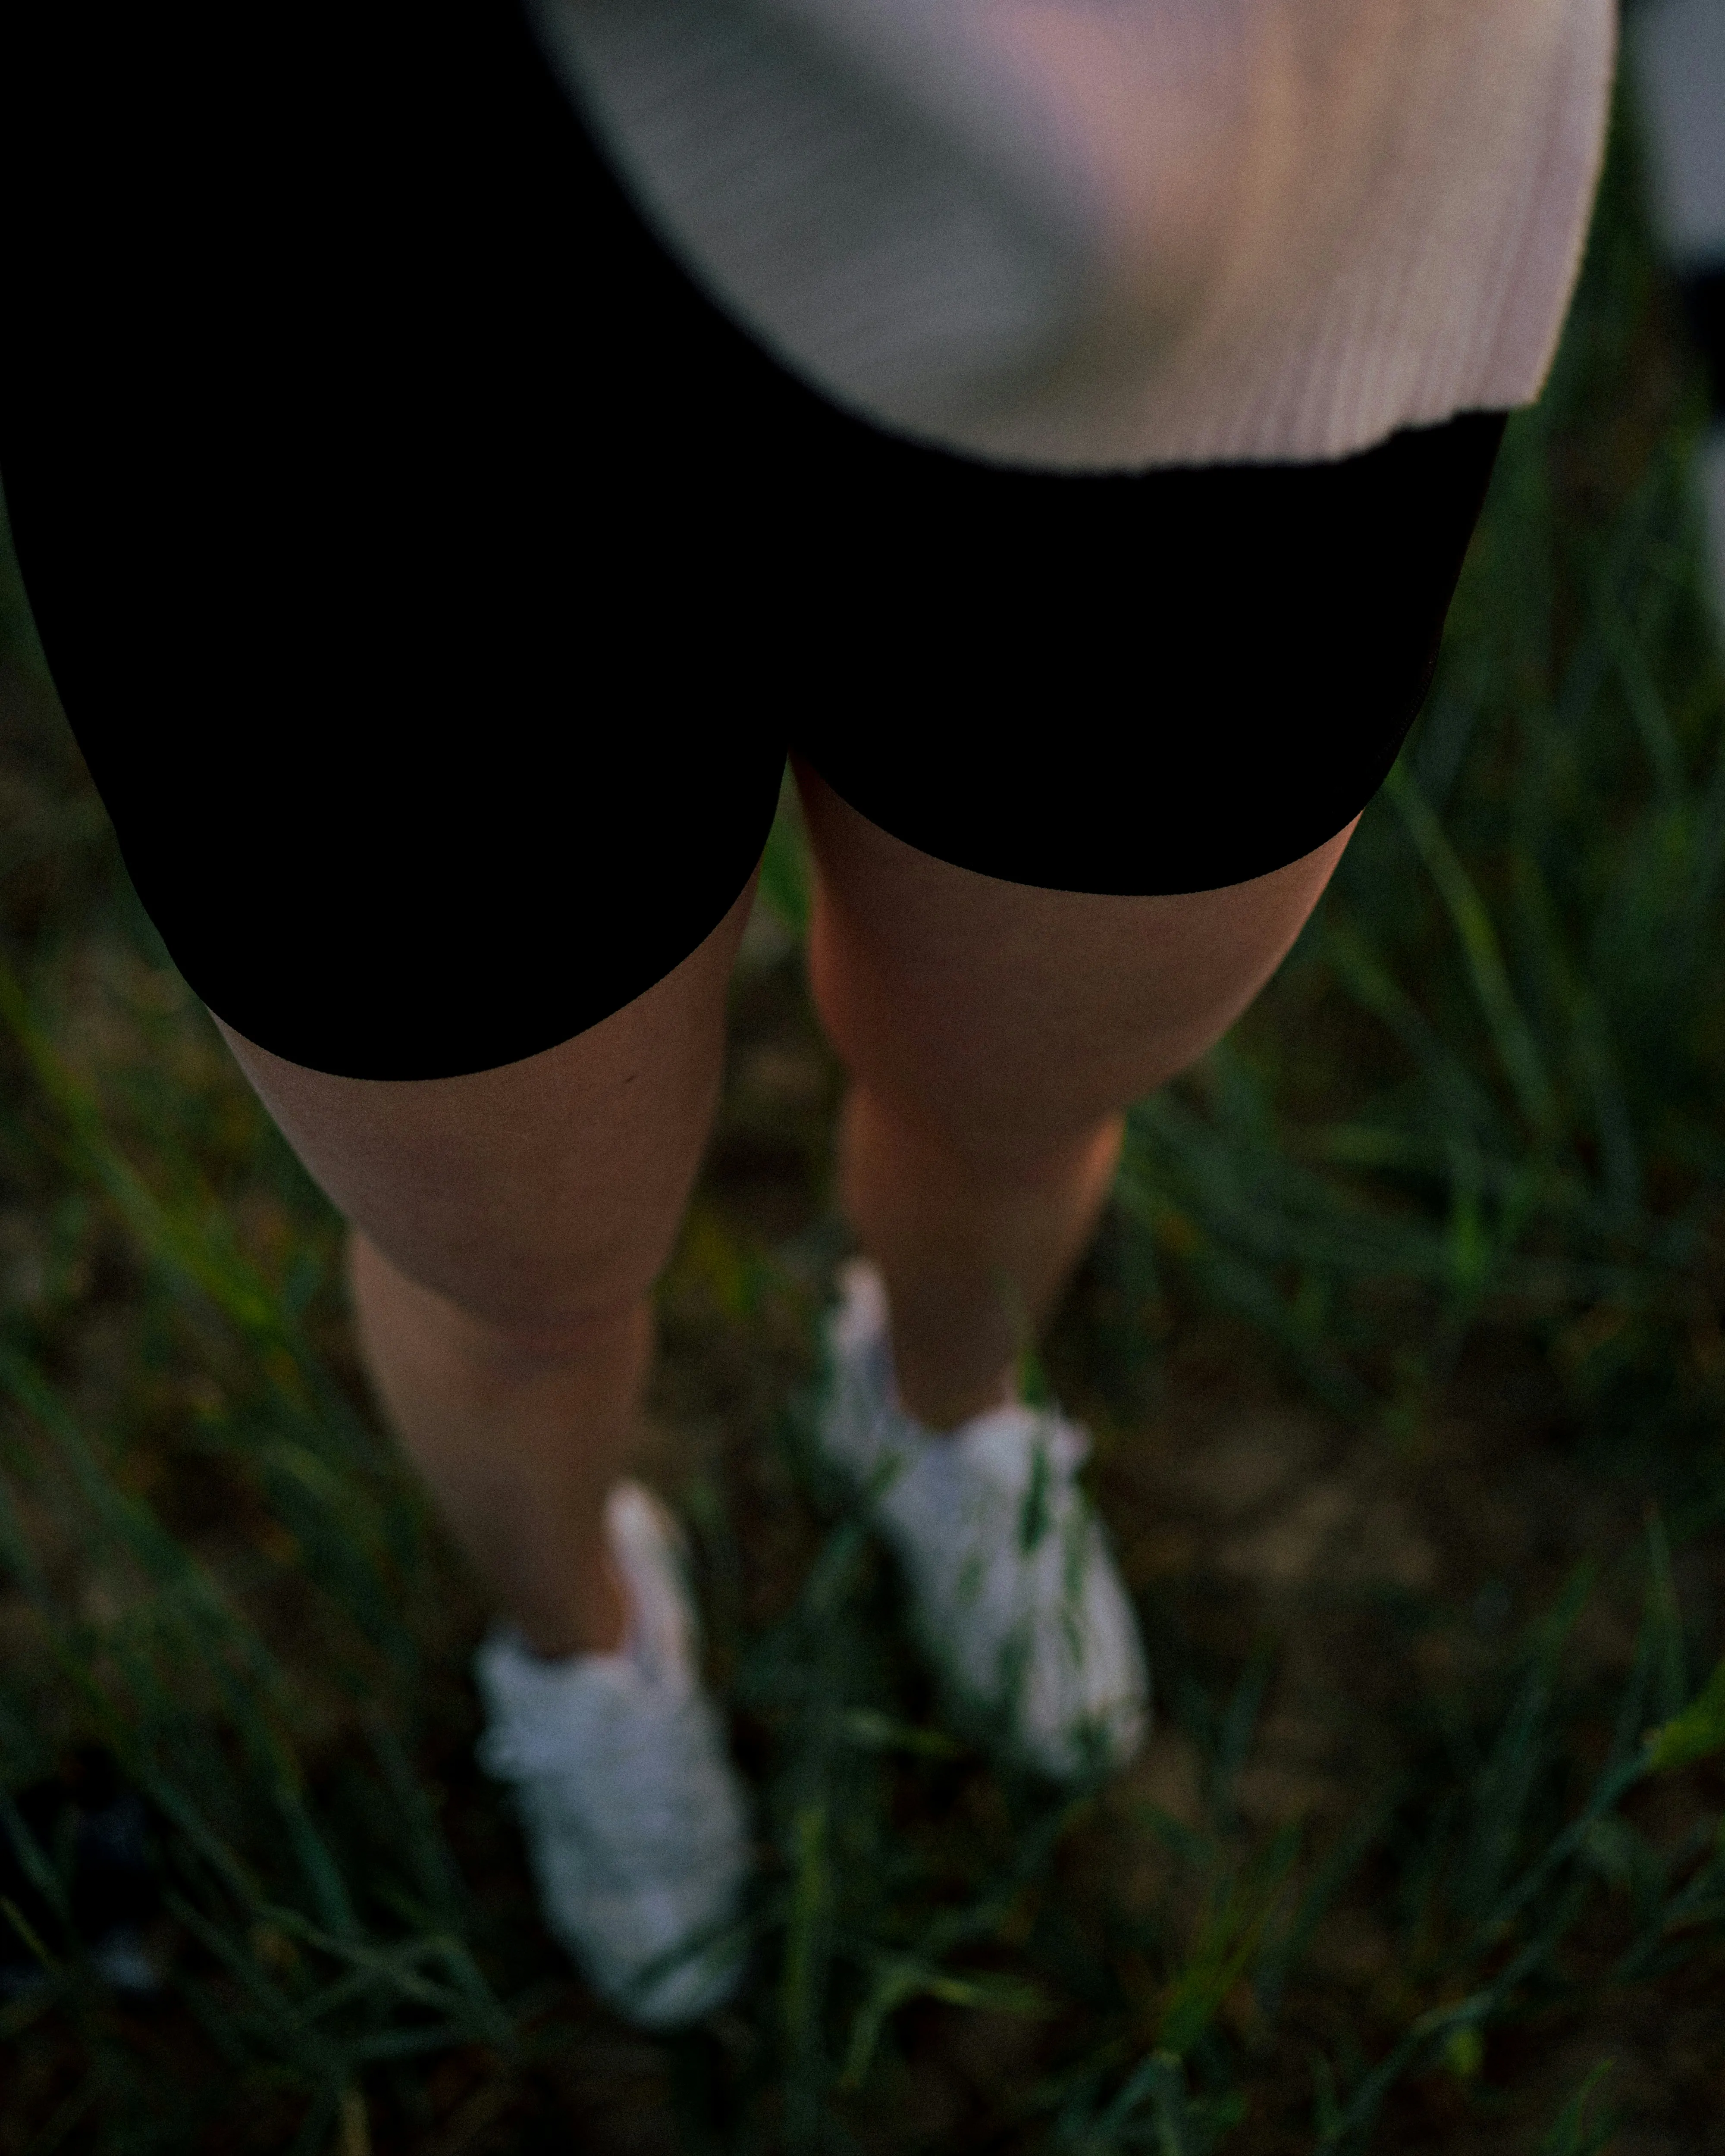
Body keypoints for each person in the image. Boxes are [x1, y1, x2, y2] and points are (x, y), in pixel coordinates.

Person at [0, 0, 1612, 2030]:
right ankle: (579, 1637)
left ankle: (938, 1413)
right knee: (523, 1268)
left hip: (1216, 192)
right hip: (318, 264)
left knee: (1018, 1096)